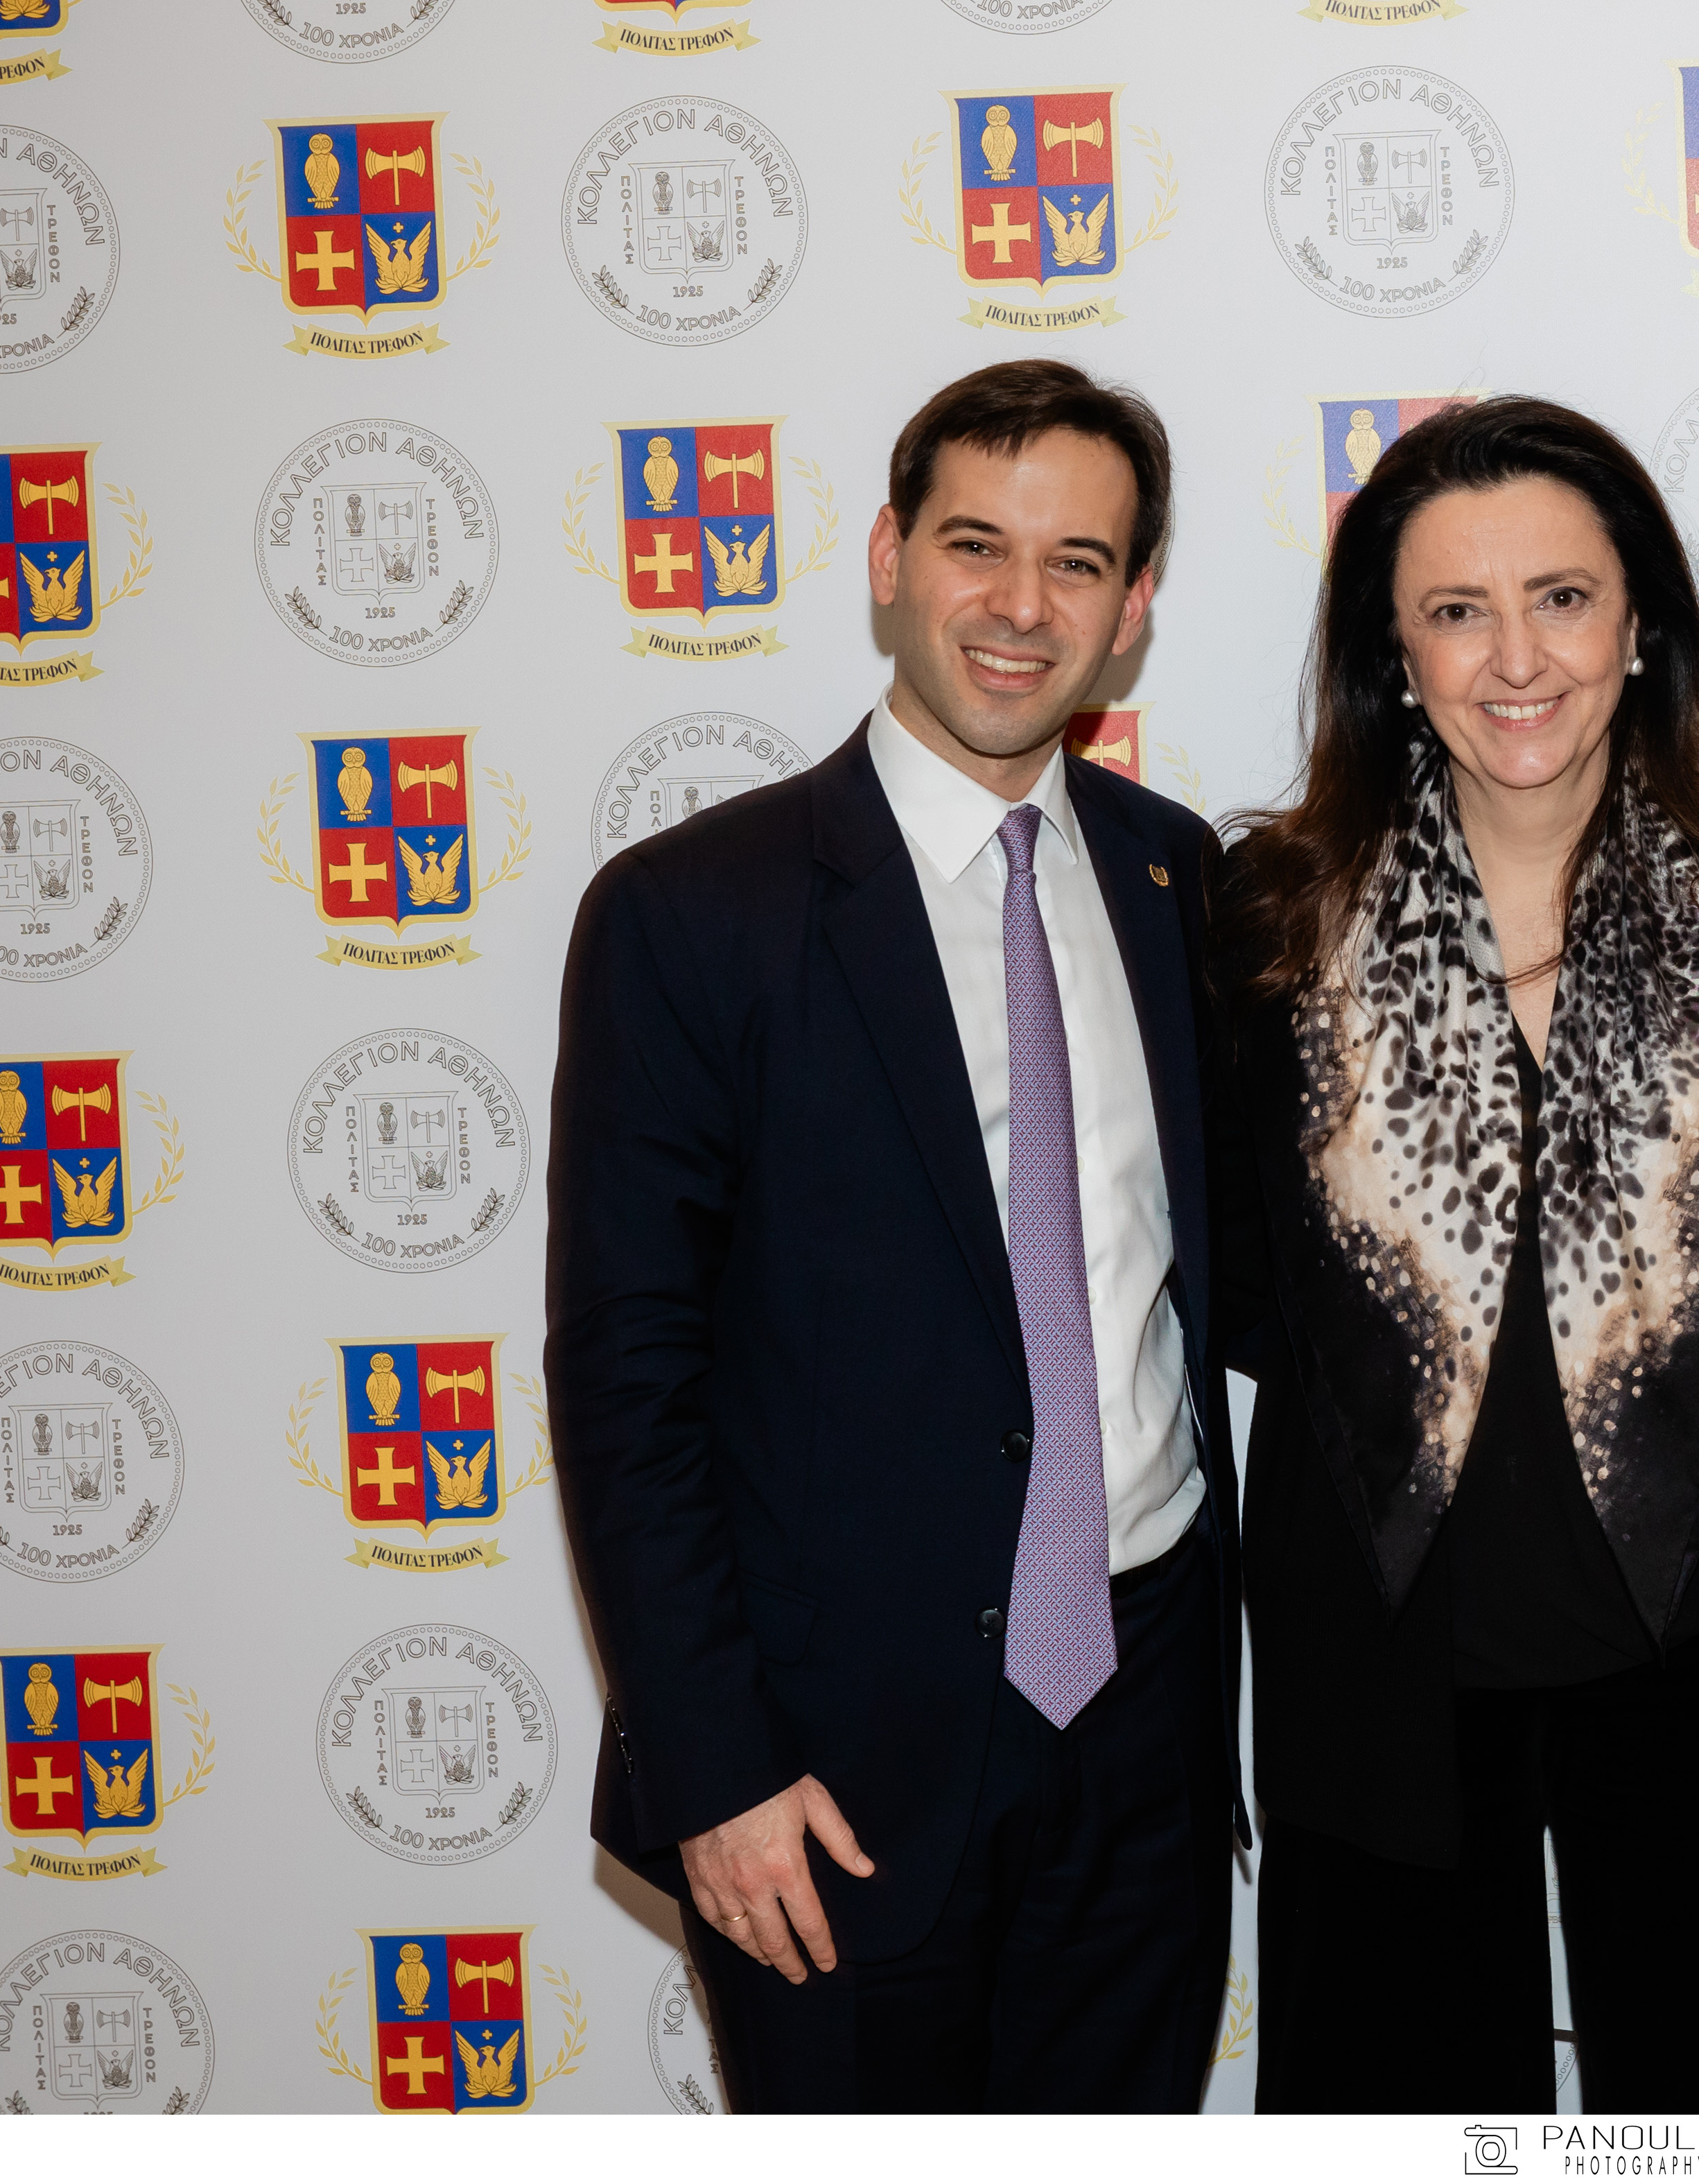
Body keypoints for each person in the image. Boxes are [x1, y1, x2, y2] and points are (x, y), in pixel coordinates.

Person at [546, 360, 1241, 2113]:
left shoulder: (1178, 879)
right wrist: (715, 1766)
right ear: (886, 555)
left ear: (1133, 607)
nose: (1021, 606)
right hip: (831, 1768)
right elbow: (626, 1376)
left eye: (1078, 561)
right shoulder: (691, 913)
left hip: (1145, 1724)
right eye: (975, 544)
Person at [1215, 397, 1699, 2113]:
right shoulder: (1271, 914)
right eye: (1456, 610)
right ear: (1393, 653)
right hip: (1387, 1664)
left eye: (1563, 598)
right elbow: (1239, 1279)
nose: (1515, 658)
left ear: (1639, 620)